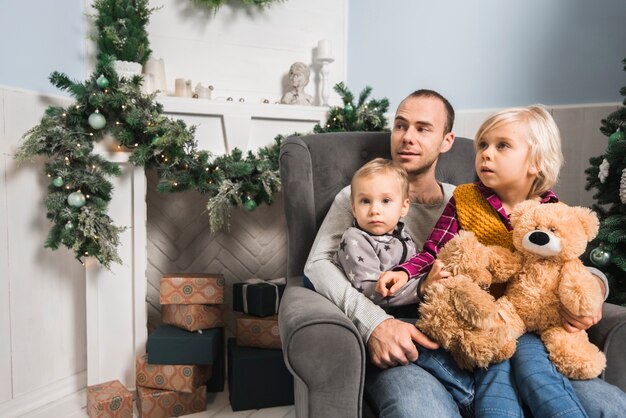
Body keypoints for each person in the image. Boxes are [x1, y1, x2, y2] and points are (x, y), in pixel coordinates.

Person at [304, 89, 626, 417]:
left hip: (511, 328)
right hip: (419, 328)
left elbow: (564, 253)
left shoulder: (468, 198)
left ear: (447, 141)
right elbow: (318, 264)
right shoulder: (362, 195)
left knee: (608, 406)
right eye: (400, 126)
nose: (407, 137)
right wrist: (374, 324)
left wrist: (595, 287)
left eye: (422, 128)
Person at [377, 104, 589, 417]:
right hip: (484, 321)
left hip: (532, 324)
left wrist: (586, 298)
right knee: (496, 383)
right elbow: (434, 250)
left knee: (538, 377)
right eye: (482, 145)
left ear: (536, 162)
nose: (486, 154)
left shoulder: (556, 213)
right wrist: (406, 273)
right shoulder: (465, 198)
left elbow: (574, 265)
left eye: (502, 146)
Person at [336, 158, 420, 308]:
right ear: (354, 208)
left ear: (404, 207)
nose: (374, 210)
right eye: (365, 201)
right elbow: (374, 293)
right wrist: (423, 287)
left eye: (386, 201)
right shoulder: (354, 240)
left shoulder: (403, 235)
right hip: (380, 310)